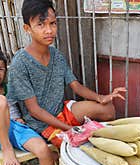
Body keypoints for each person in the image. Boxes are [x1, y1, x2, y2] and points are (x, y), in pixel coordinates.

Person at [7, 0, 126, 147]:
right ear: (27, 28)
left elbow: (75, 86)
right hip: (41, 124)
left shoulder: (56, 55)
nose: (49, 30)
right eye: (40, 25)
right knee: (76, 146)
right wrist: (71, 129)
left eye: (53, 23)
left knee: (108, 109)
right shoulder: (20, 63)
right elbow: (35, 111)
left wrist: (101, 97)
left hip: (61, 111)